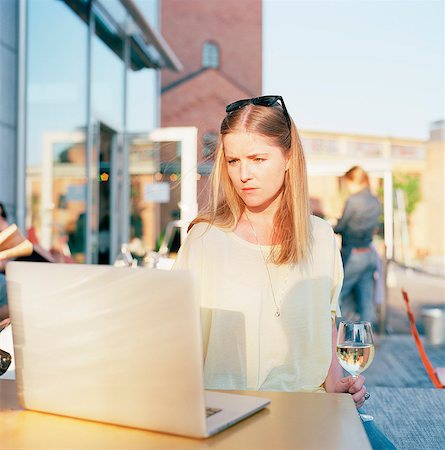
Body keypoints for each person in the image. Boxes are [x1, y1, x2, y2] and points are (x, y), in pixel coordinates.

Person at [173, 96, 395, 449]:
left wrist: (337, 383)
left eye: (258, 159)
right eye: (233, 161)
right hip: (228, 415)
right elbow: (176, 344)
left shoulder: (321, 237)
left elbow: (325, 325)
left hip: (310, 407)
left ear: (289, 158)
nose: (243, 174)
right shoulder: (204, 240)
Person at [334, 166, 381, 323]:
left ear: (354, 181)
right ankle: (368, 343)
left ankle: (336, 339)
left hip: (353, 255)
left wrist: (329, 225)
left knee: (338, 297)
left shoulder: (353, 201)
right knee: (366, 302)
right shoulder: (375, 201)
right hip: (369, 253)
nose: (347, 187)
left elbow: (341, 227)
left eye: (347, 183)